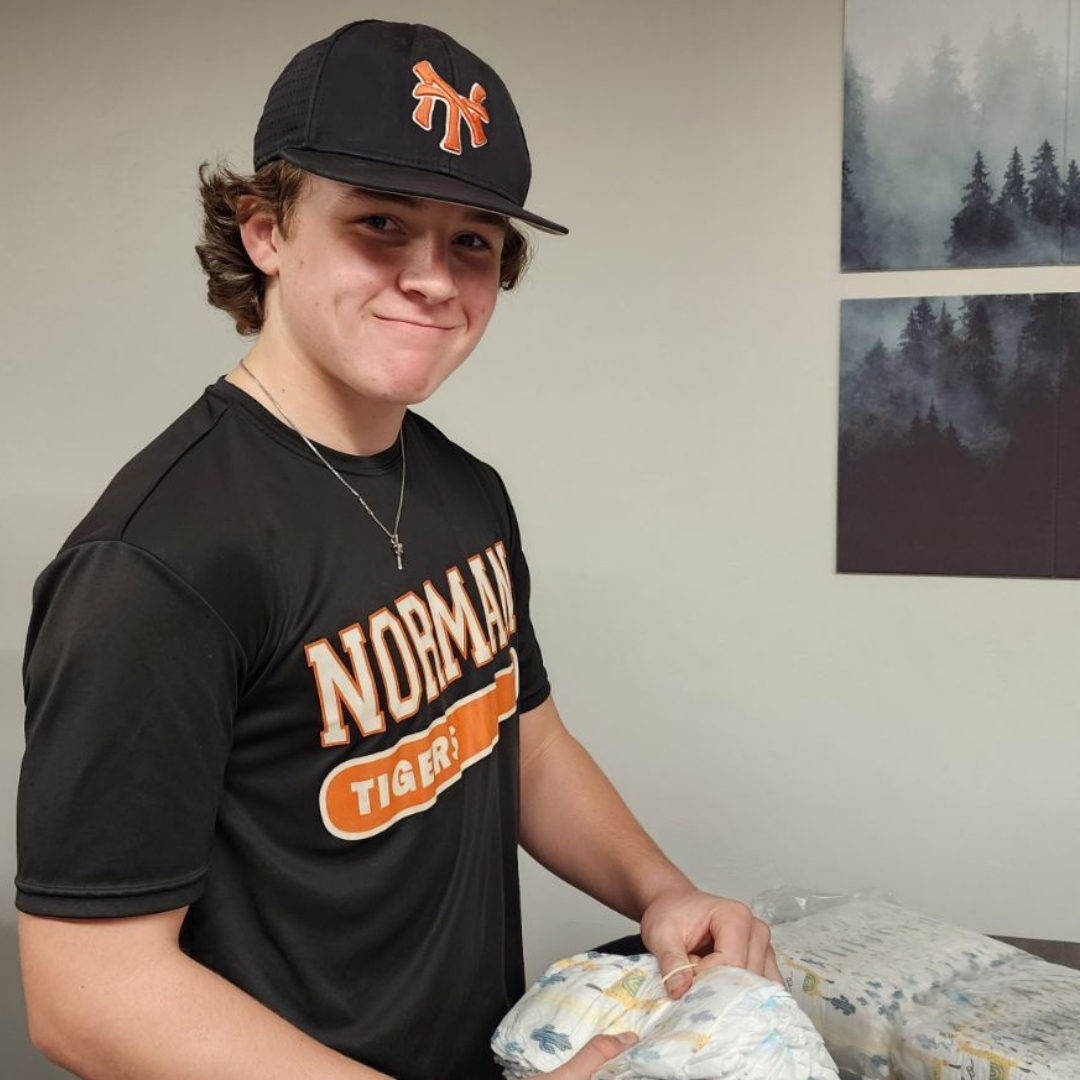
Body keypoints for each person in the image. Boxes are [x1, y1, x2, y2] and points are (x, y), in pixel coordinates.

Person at [16, 19, 779, 1080]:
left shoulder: (466, 489)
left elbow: (524, 739)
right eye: (380, 222)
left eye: (472, 238)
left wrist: (661, 890)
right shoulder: (163, 558)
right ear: (266, 231)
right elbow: (87, 995)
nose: (433, 277)